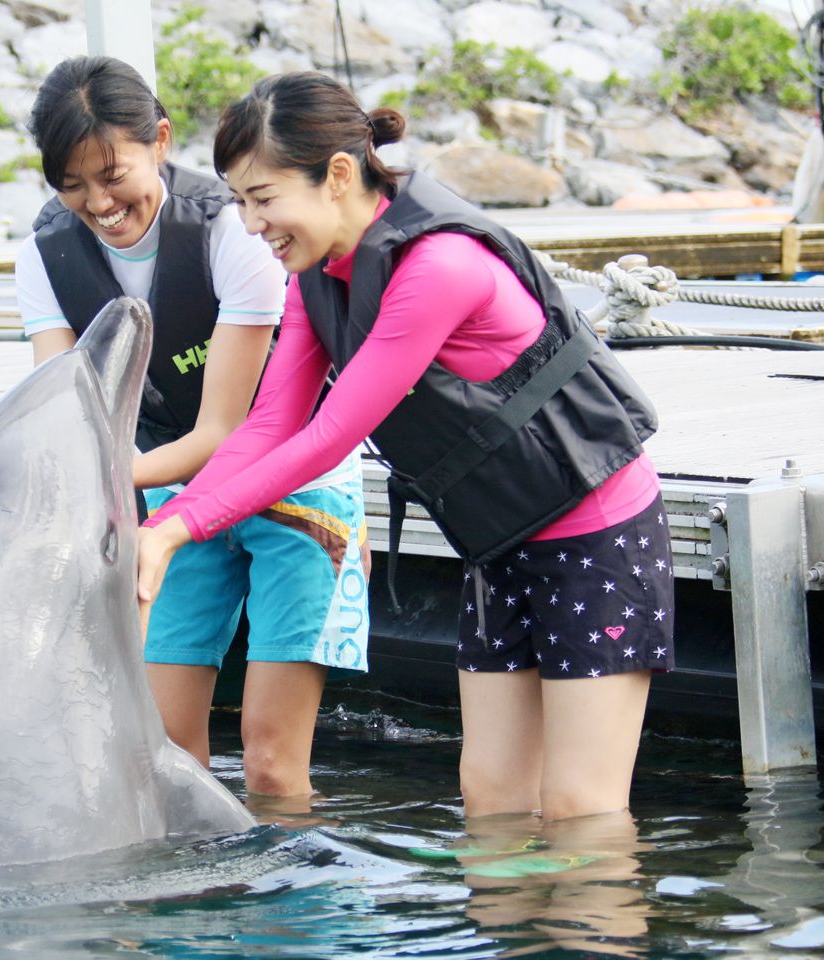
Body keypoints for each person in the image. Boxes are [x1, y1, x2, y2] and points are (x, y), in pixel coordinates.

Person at [138, 72, 675, 822]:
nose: (253, 225)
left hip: (595, 536)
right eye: (240, 204)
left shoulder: (437, 268)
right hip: (501, 543)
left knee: (579, 808)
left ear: (337, 176)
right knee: (492, 800)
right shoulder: (317, 277)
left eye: (263, 200)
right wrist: (166, 525)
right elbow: (268, 427)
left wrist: (178, 527)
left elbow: (331, 435)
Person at [15, 57, 371, 802]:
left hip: (294, 490)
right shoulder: (45, 255)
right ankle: (192, 918)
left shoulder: (232, 232)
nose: (98, 202)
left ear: (161, 141)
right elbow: (64, 412)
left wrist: (97, 481)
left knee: (272, 764)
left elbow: (225, 433)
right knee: (163, 758)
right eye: (71, 184)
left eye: (113, 175)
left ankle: (300, 916)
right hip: (172, 502)